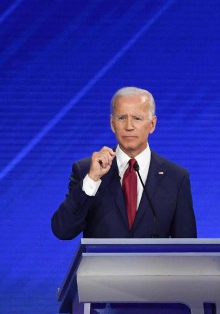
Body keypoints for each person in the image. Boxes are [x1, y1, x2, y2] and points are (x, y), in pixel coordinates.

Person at [51, 86, 197, 239]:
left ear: (152, 124)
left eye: (137, 118)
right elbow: (63, 230)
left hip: (153, 264)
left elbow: (187, 248)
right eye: (122, 118)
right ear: (112, 123)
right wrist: (92, 179)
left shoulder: (176, 178)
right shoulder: (86, 171)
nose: (129, 127)